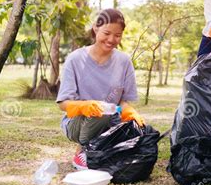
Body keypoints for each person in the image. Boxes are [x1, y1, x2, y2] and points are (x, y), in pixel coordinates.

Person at [56, 9, 145, 170]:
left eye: (117, 35)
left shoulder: (124, 62)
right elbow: (63, 103)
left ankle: (100, 149)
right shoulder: (75, 59)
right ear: (95, 28)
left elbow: (122, 102)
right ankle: (83, 151)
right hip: (79, 123)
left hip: (111, 125)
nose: (111, 39)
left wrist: (129, 112)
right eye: (107, 33)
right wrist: (83, 106)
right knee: (102, 111)